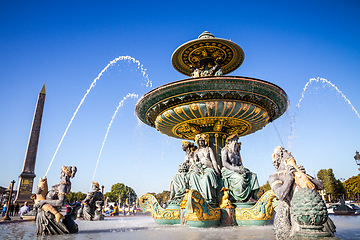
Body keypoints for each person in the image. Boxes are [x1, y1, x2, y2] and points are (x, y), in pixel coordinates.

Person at [268, 146, 335, 240]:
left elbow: (321, 186)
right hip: (293, 212)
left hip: (312, 209)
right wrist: (290, 178)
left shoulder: (298, 171)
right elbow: (280, 195)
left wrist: (305, 175)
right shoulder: (274, 176)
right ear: (280, 156)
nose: (289, 152)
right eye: (285, 151)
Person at [35, 166, 78, 235]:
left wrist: (44, 201)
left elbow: (61, 202)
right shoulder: (62, 184)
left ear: (64, 174)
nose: (60, 174)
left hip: (49, 215)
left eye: (61, 172)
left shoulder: (63, 186)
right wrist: (39, 192)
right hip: (45, 213)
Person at [221, 134, 259, 202]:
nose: (236, 142)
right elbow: (224, 163)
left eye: (236, 140)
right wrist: (235, 169)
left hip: (236, 168)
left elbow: (238, 163)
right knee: (240, 179)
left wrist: (243, 169)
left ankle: (250, 197)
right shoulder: (225, 150)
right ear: (229, 142)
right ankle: (239, 198)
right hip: (228, 170)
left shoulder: (236, 151)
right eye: (234, 140)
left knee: (253, 176)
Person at [188, 134, 219, 204]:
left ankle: (207, 198)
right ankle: (196, 197)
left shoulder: (208, 149)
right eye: (199, 141)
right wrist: (195, 167)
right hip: (200, 169)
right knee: (193, 175)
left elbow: (213, 161)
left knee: (206, 177)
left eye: (202, 141)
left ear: (205, 141)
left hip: (208, 168)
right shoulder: (196, 152)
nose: (201, 142)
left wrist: (217, 171)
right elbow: (195, 162)